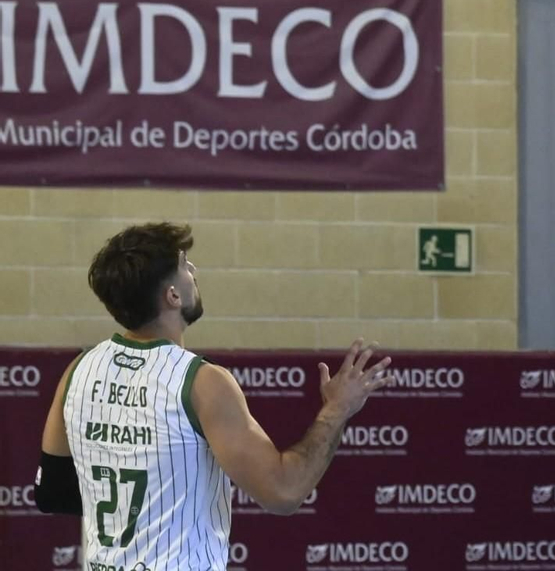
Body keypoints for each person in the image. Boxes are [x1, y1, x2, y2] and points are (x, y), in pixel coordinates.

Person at [35, 222, 391, 570]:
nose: (193, 270)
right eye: (184, 266)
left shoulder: (78, 370)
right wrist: (337, 409)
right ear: (172, 296)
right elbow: (284, 492)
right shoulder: (202, 382)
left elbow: (52, 493)